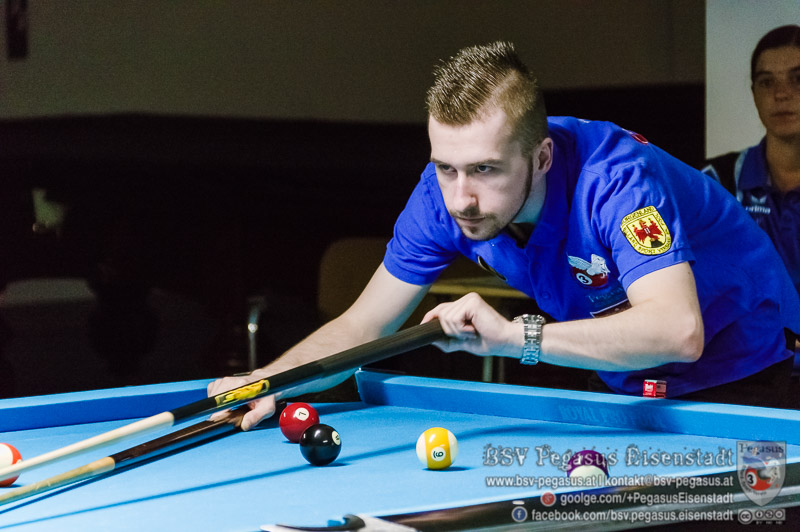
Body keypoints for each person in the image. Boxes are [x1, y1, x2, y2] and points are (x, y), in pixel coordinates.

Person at [210, 41, 800, 430]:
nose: (461, 198)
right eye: (446, 167)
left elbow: (678, 332)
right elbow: (363, 325)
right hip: (627, 385)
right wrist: (275, 380)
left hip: (747, 378)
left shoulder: (616, 181)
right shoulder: (443, 194)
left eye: (485, 169)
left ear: (541, 157)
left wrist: (516, 337)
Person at [701, 25, 800, 354]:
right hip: (744, 368)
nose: (781, 94)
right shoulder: (716, 181)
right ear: (754, 92)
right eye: (767, 82)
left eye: (797, 79)